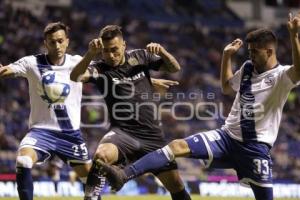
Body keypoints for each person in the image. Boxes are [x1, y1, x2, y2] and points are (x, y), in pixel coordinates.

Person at [96, 14, 300, 200]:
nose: (251, 56)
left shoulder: (281, 76)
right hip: (226, 137)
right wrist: (226, 56)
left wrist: (294, 36)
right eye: (249, 51)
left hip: (255, 148)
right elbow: (227, 87)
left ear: (270, 52)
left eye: (255, 52)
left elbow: (298, 71)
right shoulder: (248, 68)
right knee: (176, 146)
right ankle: (124, 175)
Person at [70, 25, 191, 200]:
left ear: (124, 45)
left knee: (177, 187)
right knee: (101, 156)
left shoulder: (141, 56)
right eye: (106, 51)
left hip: (153, 137)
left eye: (115, 50)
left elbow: (174, 68)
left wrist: (162, 52)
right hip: (123, 134)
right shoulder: (99, 68)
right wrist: (90, 54)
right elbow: (75, 77)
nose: (111, 55)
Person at [0, 22, 97, 200]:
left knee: (91, 182)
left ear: (67, 41)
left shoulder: (77, 63)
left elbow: (112, 73)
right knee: (23, 160)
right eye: (52, 42)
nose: (57, 45)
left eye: (60, 41)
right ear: (46, 43)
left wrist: (149, 81)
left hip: (70, 134)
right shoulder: (32, 63)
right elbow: (7, 70)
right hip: (42, 131)